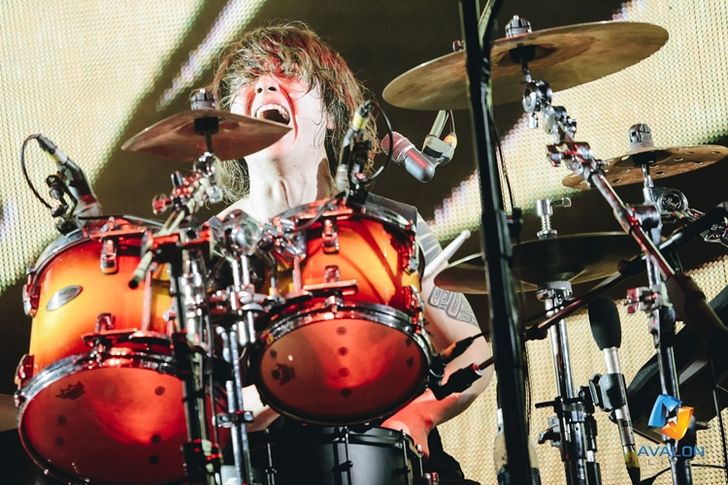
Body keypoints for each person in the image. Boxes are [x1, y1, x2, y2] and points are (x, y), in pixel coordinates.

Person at [211, 21, 493, 482]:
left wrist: (417, 415)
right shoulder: (207, 248)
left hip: (393, 462)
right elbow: (195, 407)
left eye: (287, 73)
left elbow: (473, 353)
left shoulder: (393, 224)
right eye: (250, 79)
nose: (264, 85)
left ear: (332, 111)